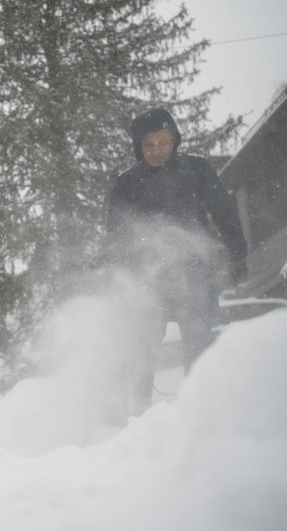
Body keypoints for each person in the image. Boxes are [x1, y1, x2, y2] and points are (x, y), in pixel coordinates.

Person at [105, 107, 247, 416]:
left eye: (162, 143)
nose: (156, 151)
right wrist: (120, 284)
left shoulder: (196, 169)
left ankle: (201, 412)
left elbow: (224, 213)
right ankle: (138, 417)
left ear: (174, 140)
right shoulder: (127, 183)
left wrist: (238, 254)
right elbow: (116, 237)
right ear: (138, 147)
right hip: (148, 282)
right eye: (148, 145)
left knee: (199, 346)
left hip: (194, 275)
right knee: (141, 350)